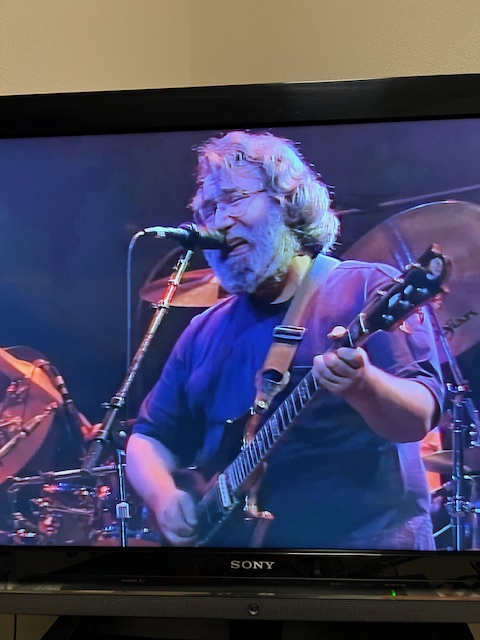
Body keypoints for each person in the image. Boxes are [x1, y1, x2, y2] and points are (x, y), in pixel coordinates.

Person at [126, 130, 444, 550]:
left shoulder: (365, 289)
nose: (217, 222)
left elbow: (419, 418)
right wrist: (163, 497)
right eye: (208, 209)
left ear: (288, 202)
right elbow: (148, 438)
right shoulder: (203, 330)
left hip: (362, 561)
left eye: (234, 199)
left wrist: (364, 385)